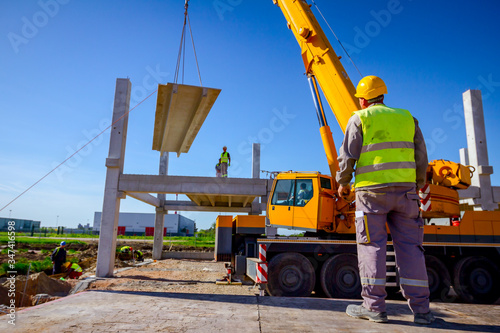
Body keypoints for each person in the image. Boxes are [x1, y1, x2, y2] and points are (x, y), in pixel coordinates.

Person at [336, 75, 433, 325]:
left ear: (363, 99)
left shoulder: (360, 118)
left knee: (372, 247)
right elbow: (421, 156)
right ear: (383, 95)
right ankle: (422, 311)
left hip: (371, 195)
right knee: (411, 249)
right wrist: (418, 183)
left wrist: (343, 182)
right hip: (406, 193)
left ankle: (374, 307)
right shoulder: (408, 118)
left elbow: (348, 155)